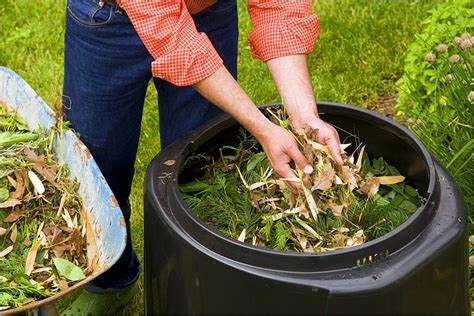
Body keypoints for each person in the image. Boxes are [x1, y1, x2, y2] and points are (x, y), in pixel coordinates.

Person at [61, 0, 342, 314]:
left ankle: (194, 283)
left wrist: (303, 117)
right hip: (107, 23)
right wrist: (261, 127)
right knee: (97, 170)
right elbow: (171, 36)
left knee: (201, 171)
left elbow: (279, 5)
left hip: (206, 12)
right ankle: (111, 281)